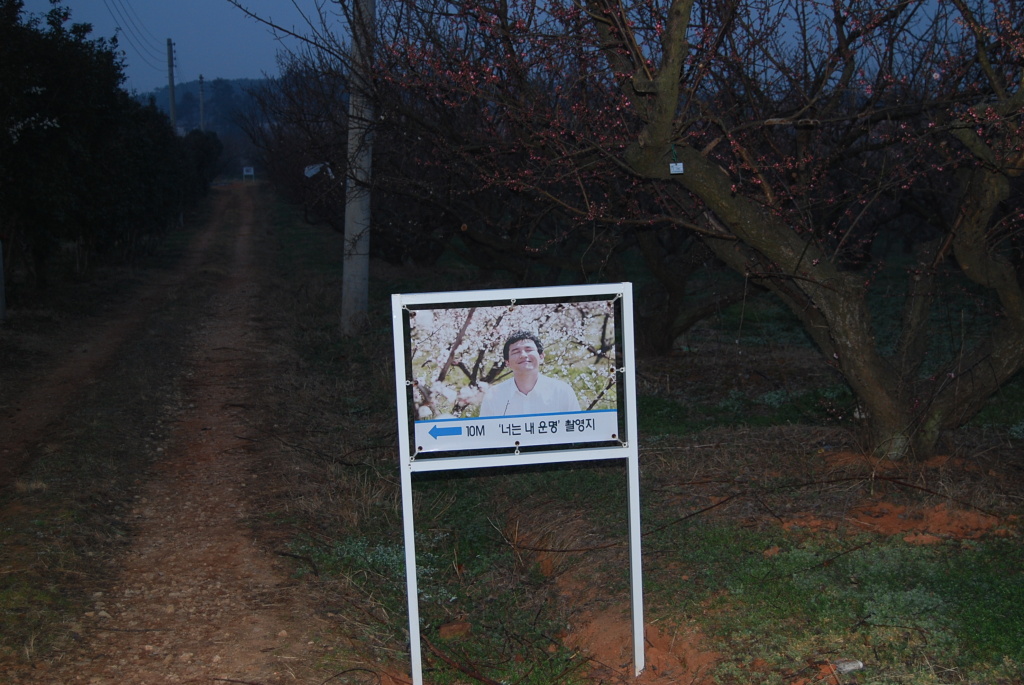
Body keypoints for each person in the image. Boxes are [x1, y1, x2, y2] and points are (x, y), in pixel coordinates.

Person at [479, 331, 581, 417]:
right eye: (515, 352)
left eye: (529, 350)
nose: (523, 355)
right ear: (507, 362)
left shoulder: (561, 391)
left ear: (541, 356)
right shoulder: (494, 395)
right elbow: (487, 436)